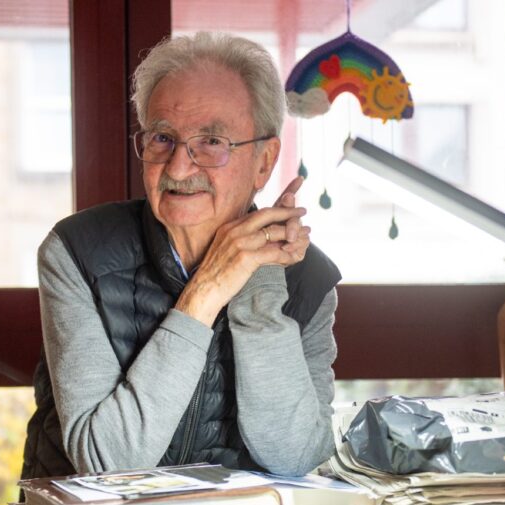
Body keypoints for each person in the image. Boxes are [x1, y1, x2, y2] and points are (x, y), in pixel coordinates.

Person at [20, 31, 341, 481]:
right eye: (162, 138)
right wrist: (206, 291)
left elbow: (294, 457)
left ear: (265, 162)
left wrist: (259, 279)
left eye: (211, 141)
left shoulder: (308, 277)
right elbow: (107, 461)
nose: (177, 167)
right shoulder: (78, 253)